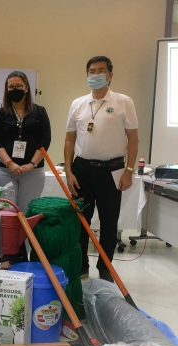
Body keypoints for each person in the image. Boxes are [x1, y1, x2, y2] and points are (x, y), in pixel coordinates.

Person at [65, 56, 138, 283]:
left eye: (101, 71)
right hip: (82, 170)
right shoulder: (77, 104)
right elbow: (69, 140)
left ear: (110, 75)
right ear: (86, 75)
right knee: (81, 222)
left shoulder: (123, 102)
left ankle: (105, 268)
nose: (95, 75)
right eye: (91, 71)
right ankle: (82, 266)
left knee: (109, 222)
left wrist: (129, 170)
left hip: (112, 171)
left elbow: (133, 139)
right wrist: (68, 171)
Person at [0, 71, 52, 268]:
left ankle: (24, 257)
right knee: (7, 214)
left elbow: (45, 141)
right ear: (6, 90)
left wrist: (31, 164)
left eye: (19, 86)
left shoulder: (39, 112)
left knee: (26, 215)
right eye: (11, 87)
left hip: (32, 171)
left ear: (26, 88)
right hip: (5, 170)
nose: (15, 90)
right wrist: (10, 164)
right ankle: (7, 258)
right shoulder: (1, 114)